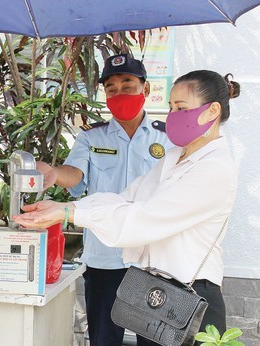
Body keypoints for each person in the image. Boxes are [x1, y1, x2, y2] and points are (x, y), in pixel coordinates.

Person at [13, 70, 240, 342]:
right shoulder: (175, 157)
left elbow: (146, 219)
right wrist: (66, 206)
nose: (173, 116)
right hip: (157, 291)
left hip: (191, 297)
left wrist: (69, 212)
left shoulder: (214, 168)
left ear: (212, 110)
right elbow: (127, 197)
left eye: (181, 108)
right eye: (170, 107)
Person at [36, 53, 171, 345]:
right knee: (103, 339)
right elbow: (75, 174)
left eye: (128, 85)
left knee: (155, 340)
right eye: (112, 89)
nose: (120, 93)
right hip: (105, 258)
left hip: (153, 259)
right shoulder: (91, 137)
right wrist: (55, 174)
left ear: (145, 89)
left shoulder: (167, 138)